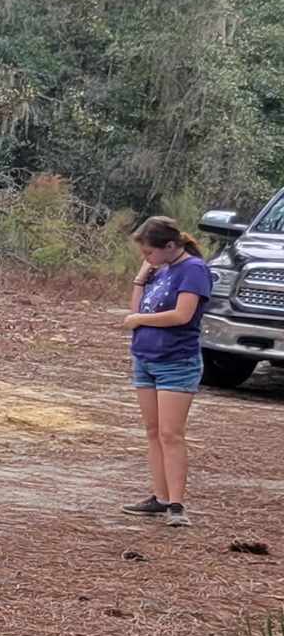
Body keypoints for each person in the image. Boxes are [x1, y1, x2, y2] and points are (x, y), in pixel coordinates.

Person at [120, 215, 214, 526]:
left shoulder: (194, 271)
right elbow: (138, 310)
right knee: (153, 431)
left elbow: (182, 315)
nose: (146, 258)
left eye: (149, 253)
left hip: (176, 361)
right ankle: (159, 497)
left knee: (171, 433)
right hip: (145, 357)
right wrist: (140, 277)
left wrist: (141, 321)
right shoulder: (161, 270)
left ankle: (177, 504)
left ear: (170, 245)